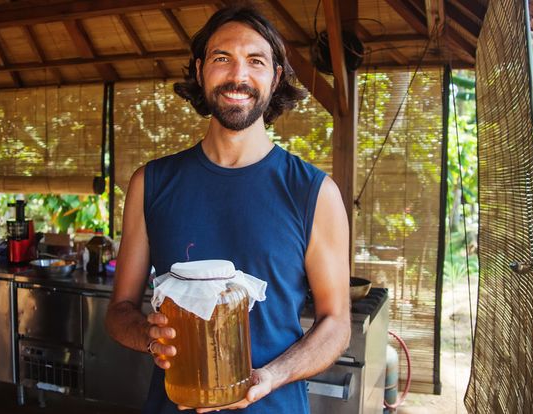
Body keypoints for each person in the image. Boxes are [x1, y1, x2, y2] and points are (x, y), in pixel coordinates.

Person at [104, 5, 350, 413]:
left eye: (256, 61)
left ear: (275, 77)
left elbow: (336, 323)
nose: (238, 76)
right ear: (200, 71)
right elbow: (118, 312)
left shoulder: (313, 191)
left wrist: (272, 375)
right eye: (223, 59)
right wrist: (150, 335)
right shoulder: (151, 183)